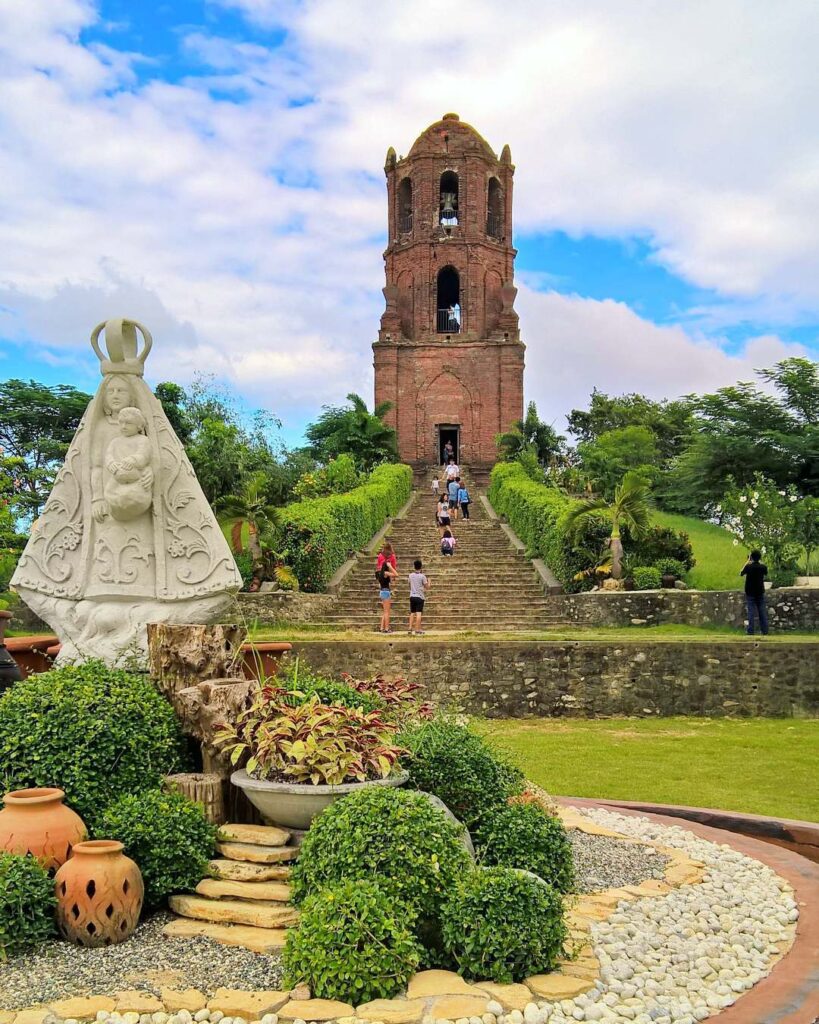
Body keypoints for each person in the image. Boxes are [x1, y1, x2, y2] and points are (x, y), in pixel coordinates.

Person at [741, 550, 769, 635]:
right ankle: (765, 630)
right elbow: (766, 572)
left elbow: (741, 572)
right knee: (762, 611)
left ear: (751, 557)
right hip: (760, 591)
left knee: (751, 611)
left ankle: (750, 630)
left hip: (750, 591)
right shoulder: (762, 567)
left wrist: (747, 561)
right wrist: (760, 560)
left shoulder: (748, 567)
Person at [408, 558, 429, 635]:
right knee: (419, 613)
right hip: (420, 596)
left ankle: (410, 628)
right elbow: (427, 587)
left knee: (412, 613)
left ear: (414, 566)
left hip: (412, 596)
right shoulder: (422, 576)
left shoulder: (410, 575)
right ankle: (417, 629)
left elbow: (409, 585)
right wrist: (429, 582)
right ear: (421, 567)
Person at [376, 559, 398, 634]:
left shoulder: (381, 574)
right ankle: (386, 628)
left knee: (384, 612)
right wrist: (391, 566)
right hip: (385, 592)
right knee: (387, 612)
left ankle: (382, 627)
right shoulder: (385, 573)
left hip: (382, 591)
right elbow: (396, 574)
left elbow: (390, 580)